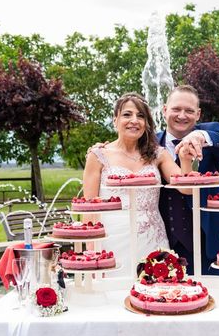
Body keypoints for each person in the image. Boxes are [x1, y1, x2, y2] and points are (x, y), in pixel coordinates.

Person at [82, 93, 193, 274]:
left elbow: (186, 188)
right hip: (112, 237)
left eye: (140, 116)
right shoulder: (98, 155)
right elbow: (89, 209)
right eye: (127, 115)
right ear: (115, 119)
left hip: (152, 238)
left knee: (155, 292)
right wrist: (91, 252)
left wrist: (185, 160)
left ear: (146, 123)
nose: (134, 120)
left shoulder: (159, 154)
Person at [157, 85, 219, 275]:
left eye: (189, 111)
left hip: (208, 238)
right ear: (165, 110)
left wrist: (200, 136)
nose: (182, 115)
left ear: (198, 114)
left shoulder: (210, 132)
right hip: (163, 240)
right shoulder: (151, 142)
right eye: (176, 109)